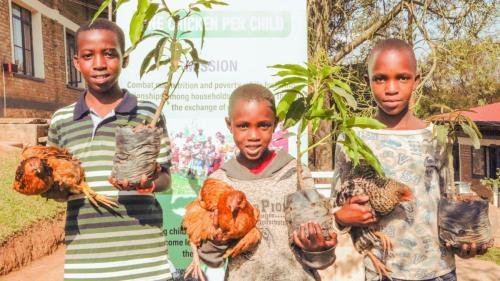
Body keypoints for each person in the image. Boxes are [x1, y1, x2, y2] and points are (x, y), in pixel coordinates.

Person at [332, 38, 486, 281]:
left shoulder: (436, 136)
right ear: (367, 82)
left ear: (416, 80)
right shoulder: (353, 137)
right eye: (380, 78)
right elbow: (336, 205)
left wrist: (464, 240)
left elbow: (447, 202)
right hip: (380, 273)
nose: (391, 88)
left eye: (402, 77)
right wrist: (342, 217)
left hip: (439, 271)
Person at [46, 18, 176, 280]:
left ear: (124, 58)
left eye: (109, 53)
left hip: (146, 262)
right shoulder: (61, 121)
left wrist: (147, 180)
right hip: (87, 262)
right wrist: (52, 187)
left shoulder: (148, 114)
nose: (99, 64)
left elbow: (166, 180)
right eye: (88, 55)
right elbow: (55, 186)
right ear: (76, 61)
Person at [193, 83, 337, 281]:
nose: (253, 136)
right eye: (243, 126)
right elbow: (210, 258)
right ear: (229, 125)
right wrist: (218, 239)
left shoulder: (295, 173)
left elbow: (321, 258)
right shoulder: (219, 182)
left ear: (275, 123)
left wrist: (318, 247)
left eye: (263, 125)